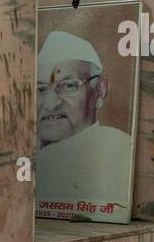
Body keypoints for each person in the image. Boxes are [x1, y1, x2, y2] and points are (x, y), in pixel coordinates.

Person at [35, 30, 133, 205]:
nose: (51, 104)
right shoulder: (21, 154)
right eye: (40, 89)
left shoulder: (120, 150)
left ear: (100, 89)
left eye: (68, 86)